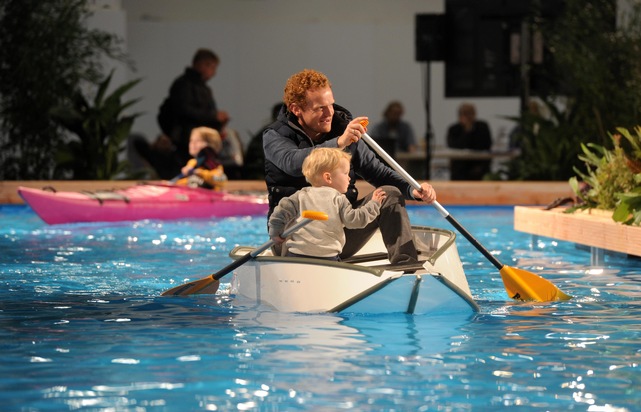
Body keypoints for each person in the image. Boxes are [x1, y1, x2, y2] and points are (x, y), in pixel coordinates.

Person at [263, 68, 436, 265]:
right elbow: (292, 162)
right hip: (292, 240)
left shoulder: (343, 129)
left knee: (390, 193)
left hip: (339, 236)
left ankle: (406, 267)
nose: (329, 113)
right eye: (320, 108)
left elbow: (377, 172)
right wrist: (339, 142)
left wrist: (412, 189)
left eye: (331, 104)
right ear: (296, 109)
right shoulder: (275, 136)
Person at [269, 148, 386, 260]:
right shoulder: (339, 199)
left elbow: (280, 212)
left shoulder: (300, 196)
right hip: (328, 257)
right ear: (328, 177)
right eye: (345, 173)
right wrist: (374, 204)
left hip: (296, 255)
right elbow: (355, 220)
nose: (349, 178)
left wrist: (275, 232)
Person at [156, 48, 230, 176]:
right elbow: (184, 110)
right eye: (212, 67)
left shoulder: (203, 87)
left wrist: (218, 121)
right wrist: (213, 116)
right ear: (202, 65)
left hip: (198, 138)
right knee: (186, 172)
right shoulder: (183, 84)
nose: (214, 73)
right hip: (184, 140)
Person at [445, 103, 493, 180]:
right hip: (460, 168)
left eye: (470, 113)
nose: (468, 117)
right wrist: (466, 131)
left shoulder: (482, 127)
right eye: (464, 113)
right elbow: (454, 146)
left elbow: (485, 144)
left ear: (474, 114)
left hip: (478, 166)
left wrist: (470, 129)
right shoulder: (453, 129)